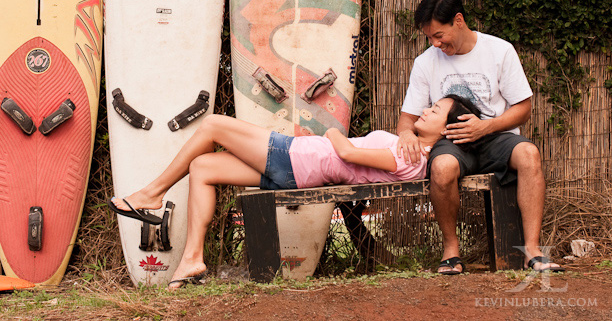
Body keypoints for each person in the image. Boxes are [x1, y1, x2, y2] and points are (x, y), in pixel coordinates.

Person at [110, 95, 474, 290]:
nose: (425, 110)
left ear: (448, 129)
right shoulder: (411, 149)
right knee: (204, 167)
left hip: (298, 157)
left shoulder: (410, 157)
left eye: (436, 110)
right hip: (299, 166)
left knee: (212, 124)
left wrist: (331, 131)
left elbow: (346, 152)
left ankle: (153, 193)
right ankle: (192, 258)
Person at [396, 0, 563, 275]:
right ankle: (451, 251)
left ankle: (533, 252)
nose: (435, 44)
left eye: (439, 35)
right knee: (443, 167)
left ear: (458, 21)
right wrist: (407, 134)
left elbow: (523, 107)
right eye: (429, 38)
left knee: (529, 154)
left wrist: (486, 126)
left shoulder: (499, 51)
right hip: (452, 142)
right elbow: (406, 118)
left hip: (495, 136)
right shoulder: (425, 63)